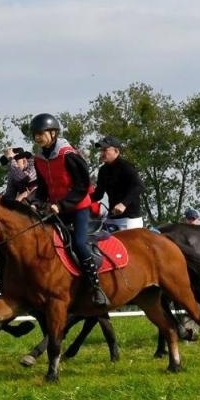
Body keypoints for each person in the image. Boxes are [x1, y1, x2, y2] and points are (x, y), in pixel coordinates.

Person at [29, 113, 108, 307]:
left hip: (78, 207)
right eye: (35, 134)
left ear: (53, 133)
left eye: (41, 133)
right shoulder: (38, 159)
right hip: (56, 209)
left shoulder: (69, 155)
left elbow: (82, 185)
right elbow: (43, 187)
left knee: (79, 244)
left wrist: (62, 204)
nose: (38, 137)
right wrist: (35, 201)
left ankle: (95, 287)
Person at [91, 135, 145, 230]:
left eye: (105, 150)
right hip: (112, 219)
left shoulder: (126, 167)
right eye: (101, 150)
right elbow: (98, 194)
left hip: (130, 220)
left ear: (116, 151)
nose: (102, 153)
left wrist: (123, 204)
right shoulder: (103, 170)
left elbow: (139, 186)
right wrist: (77, 200)